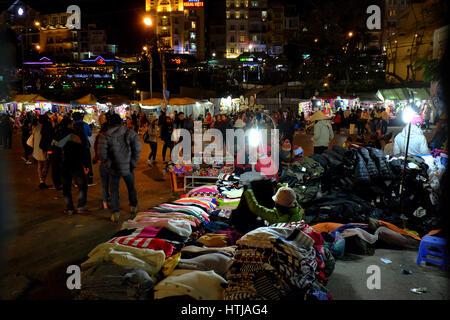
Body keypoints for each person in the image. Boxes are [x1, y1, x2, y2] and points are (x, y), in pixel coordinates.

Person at [99, 114, 142, 222]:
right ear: (121, 122)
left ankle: (115, 213)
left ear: (109, 123)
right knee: (131, 187)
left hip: (114, 168)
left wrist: (108, 164)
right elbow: (137, 149)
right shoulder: (130, 133)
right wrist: (132, 163)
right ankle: (134, 206)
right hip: (128, 167)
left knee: (114, 190)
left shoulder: (104, 135)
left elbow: (101, 154)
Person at [53, 117, 89, 215]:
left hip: (63, 165)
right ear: (69, 124)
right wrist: (86, 164)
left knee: (66, 187)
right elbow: (83, 150)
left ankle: (70, 209)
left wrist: (55, 170)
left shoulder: (57, 136)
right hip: (76, 164)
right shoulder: (75, 135)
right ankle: (81, 206)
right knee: (82, 186)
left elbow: (55, 153)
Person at [93, 115, 111, 210]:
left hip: (102, 163)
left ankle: (105, 203)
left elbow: (96, 149)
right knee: (112, 184)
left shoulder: (99, 137)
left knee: (104, 184)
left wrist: (98, 158)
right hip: (111, 163)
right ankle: (113, 200)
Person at [73, 112, 94, 186]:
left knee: (77, 163)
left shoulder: (72, 126)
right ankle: (89, 180)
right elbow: (90, 134)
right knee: (87, 163)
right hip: (85, 146)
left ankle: (77, 181)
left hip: (75, 148)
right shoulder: (85, 124)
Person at [31, 115, 51, 189]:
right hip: (44, 150)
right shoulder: (46, 128)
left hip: (37, 151)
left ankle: (41, 181)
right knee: (46, 166)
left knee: (40, 166)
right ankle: (43, 181)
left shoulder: (36, 128)